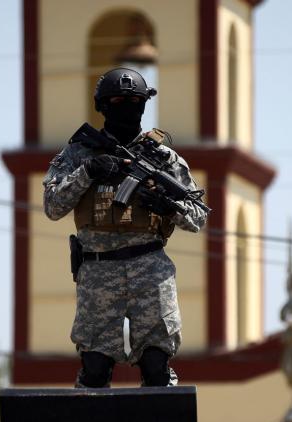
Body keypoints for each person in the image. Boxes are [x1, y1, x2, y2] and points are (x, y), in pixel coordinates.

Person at [42, 67, 207, 388]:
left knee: (157, 366)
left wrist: (168, 206)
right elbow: (53, 206)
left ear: (145, 105)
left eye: (134, 100)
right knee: (95, 368)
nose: (127, 107)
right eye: (118, 100)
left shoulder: (164, 158)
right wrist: (88, 171)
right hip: (98, 270)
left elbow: (197, 216)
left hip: (150, 268)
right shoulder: (78, 153)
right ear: (102, 106)